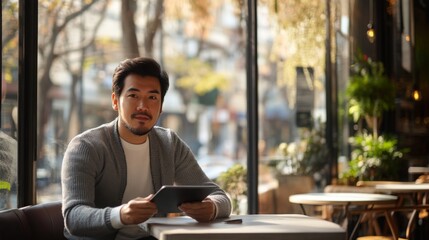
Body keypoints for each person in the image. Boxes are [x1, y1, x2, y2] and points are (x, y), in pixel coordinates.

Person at [61, 57, 232, 240]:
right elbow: (73, 217)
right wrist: (120, 215)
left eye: (152, 97)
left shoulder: (169, 144)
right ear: (115, 100)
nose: (143, 106)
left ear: (161, 107)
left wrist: (212, 208)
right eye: (133, 96)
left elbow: (220, 197)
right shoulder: (86, 147)